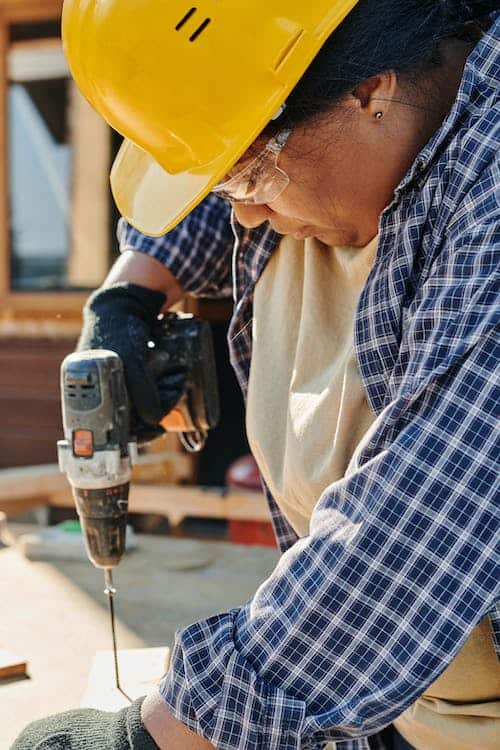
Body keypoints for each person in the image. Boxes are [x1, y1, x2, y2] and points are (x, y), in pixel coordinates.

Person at [12, 1, 499, 749]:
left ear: (370, 91)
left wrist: (155, 736)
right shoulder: (325, 119)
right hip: (383, 708)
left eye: (246, 180)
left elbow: (417, 527)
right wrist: (133, 292)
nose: (244, 219)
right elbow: (248, 133)